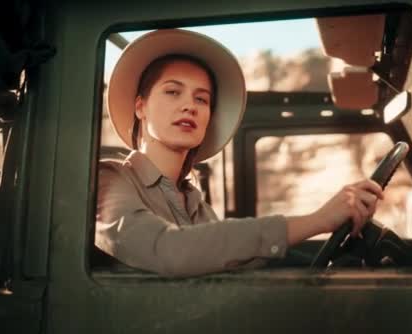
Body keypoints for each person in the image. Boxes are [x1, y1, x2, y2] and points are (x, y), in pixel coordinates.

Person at [95, 29, 385, 278]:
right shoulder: (109, 180)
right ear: (140, 107)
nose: (190, 106)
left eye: (201, 98)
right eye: (173, 92)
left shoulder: (194, 202)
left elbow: (230, 258)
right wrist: (318, 220)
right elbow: (167, 250)